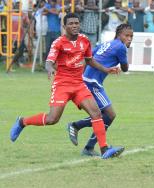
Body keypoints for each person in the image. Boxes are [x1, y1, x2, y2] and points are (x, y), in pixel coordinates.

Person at [10, 12, 124, 159]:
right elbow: (49, 61)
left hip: (79, 84)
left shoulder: (84, 40)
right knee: (52, 119)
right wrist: (50, 69)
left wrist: (106, 69)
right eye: (71, 24)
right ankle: (22, 122)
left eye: (76, 23)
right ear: (64, 27)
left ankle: (104, 150)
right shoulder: (58, 43)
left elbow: (89, 60)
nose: (74, 26)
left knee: (96, 113)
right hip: (62, 85)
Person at [67, 23, 133, 156]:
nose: (129, 39)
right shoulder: (120, 47)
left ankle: (88, 146)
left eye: (131, 36)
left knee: (103, 115)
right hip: (93, 83)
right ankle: (78, 128)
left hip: (88, 80)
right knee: (110, 115)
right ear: (119, 35)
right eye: (127, 36)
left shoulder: (106, 44)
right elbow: (125, 68)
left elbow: (88, 57)